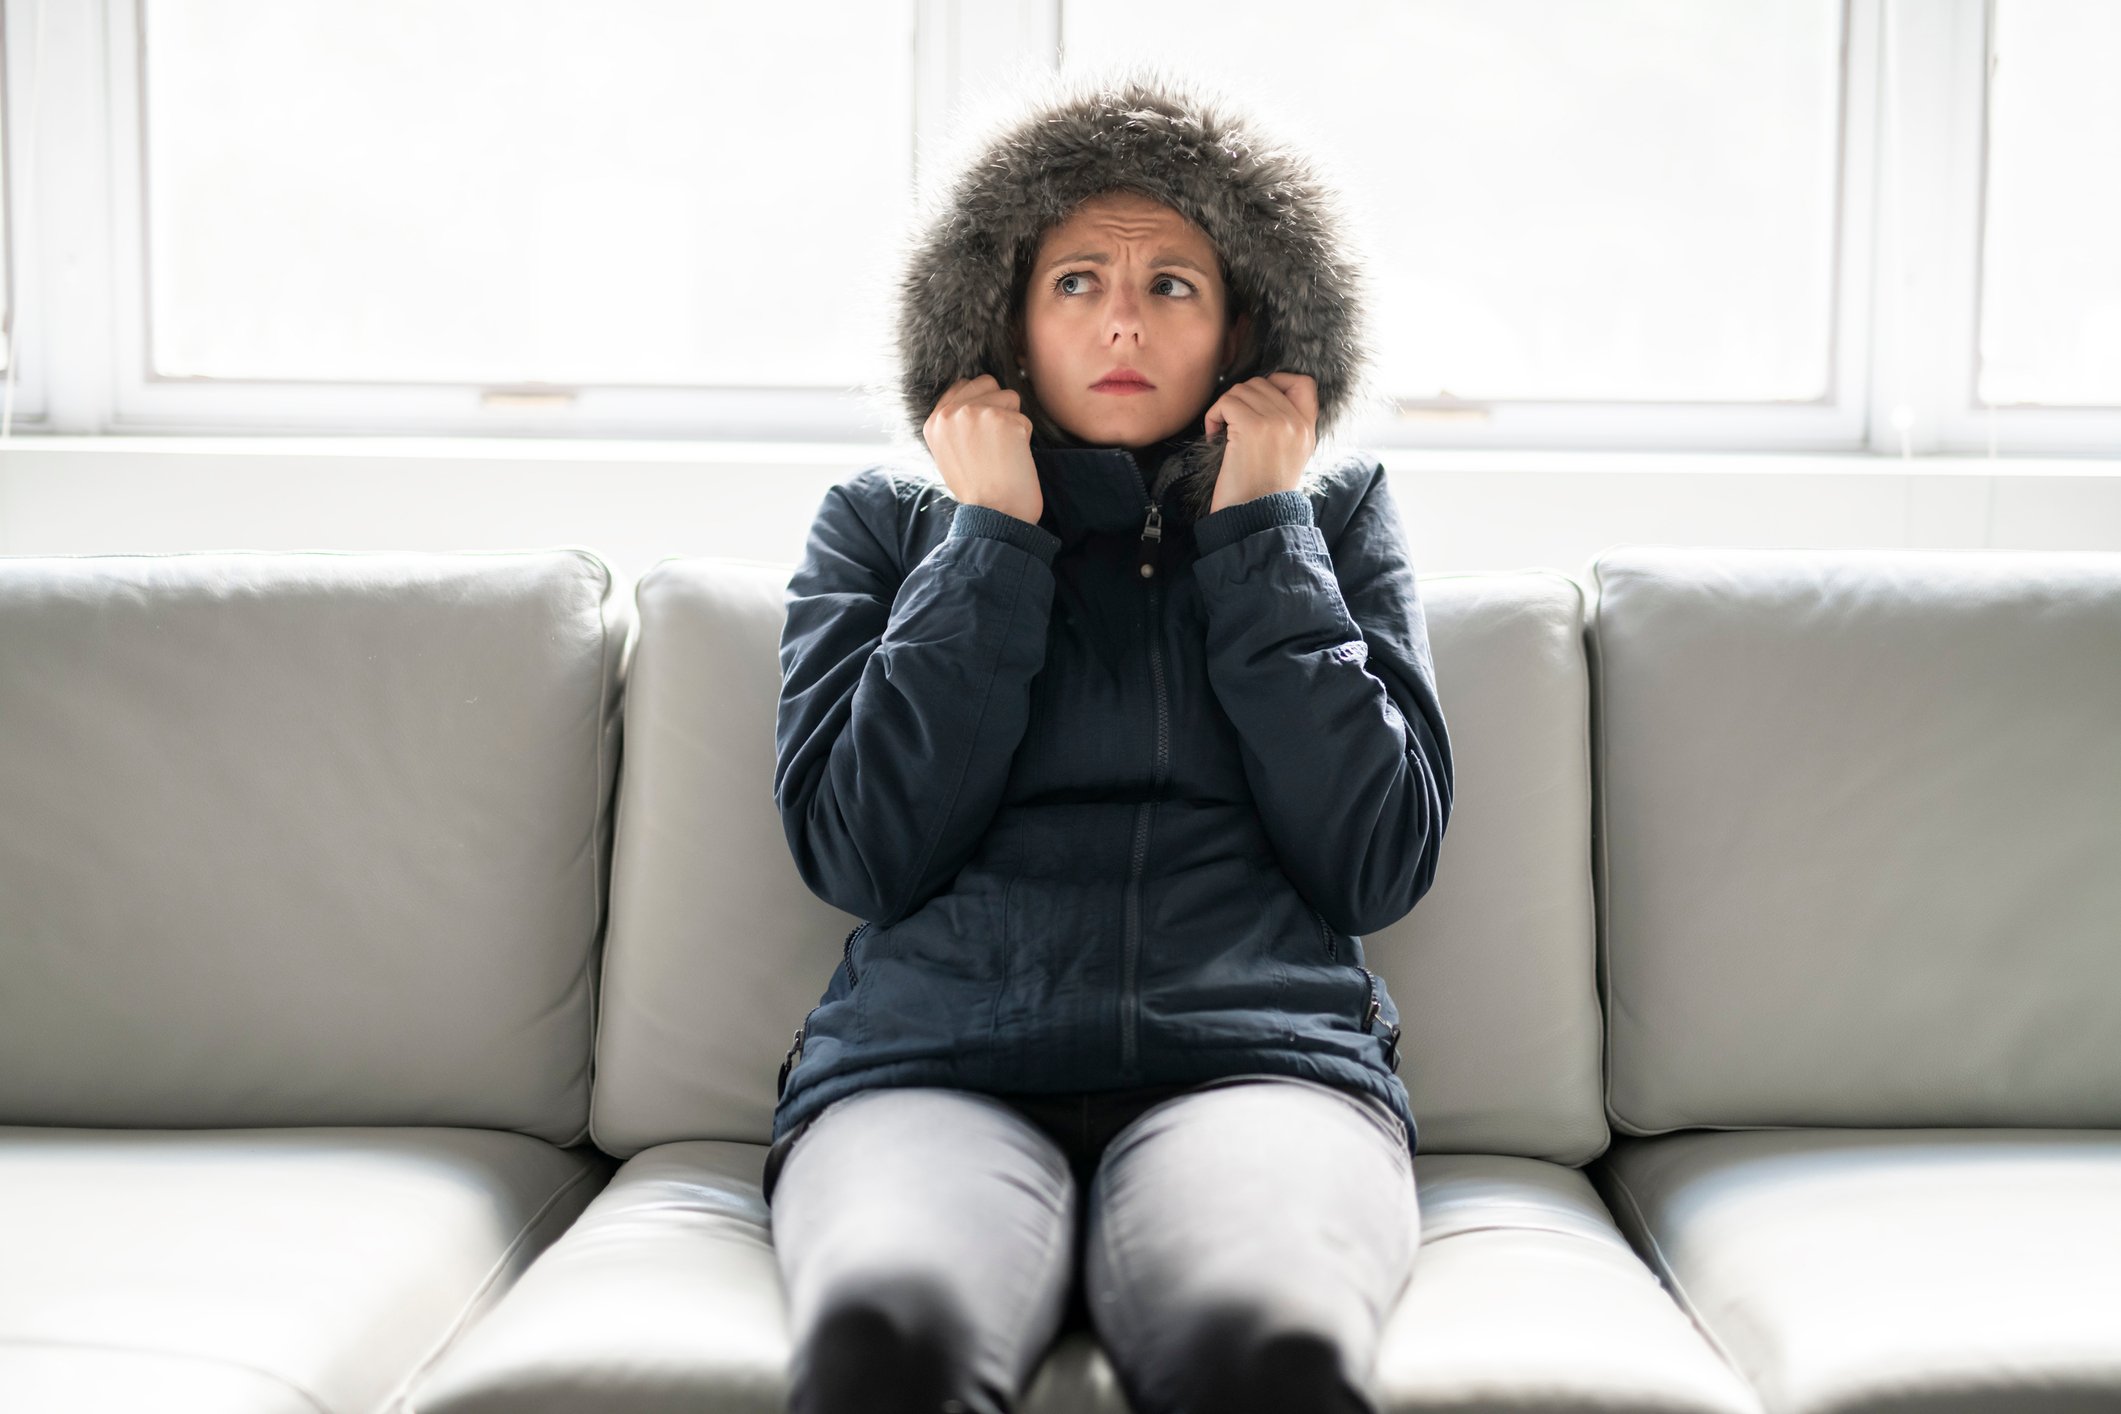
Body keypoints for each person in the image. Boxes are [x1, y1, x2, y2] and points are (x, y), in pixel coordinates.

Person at [764, 63, 1454, 1414]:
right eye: (1075, 280)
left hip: (1255, 1063)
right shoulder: (885, 523)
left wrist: (1258, 535)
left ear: (1245, 323)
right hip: (930, 1067)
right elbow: (862, 850)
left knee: (1271, 1347)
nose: (1120, 319)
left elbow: (1374, 861)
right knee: (883, 1340)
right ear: (1005, 323)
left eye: (1170, 285)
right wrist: (992, 543)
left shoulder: (1335, 517)